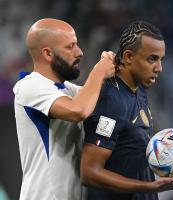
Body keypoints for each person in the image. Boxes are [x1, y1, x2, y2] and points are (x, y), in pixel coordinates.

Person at [81, 21, 173, 200]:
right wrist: (149, 186)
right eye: (152, 59)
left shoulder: (139, 91)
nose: (159, 68)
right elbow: (89, 172)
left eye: (161, 59)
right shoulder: (111, 100)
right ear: (129, 57)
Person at [13, 18, 116, 200]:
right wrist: (99, 71)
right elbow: (78, 110)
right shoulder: (29, 86)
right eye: (70, 47)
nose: (80, 52)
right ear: (48, 53)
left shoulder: (68, 90)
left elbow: (103, 97)